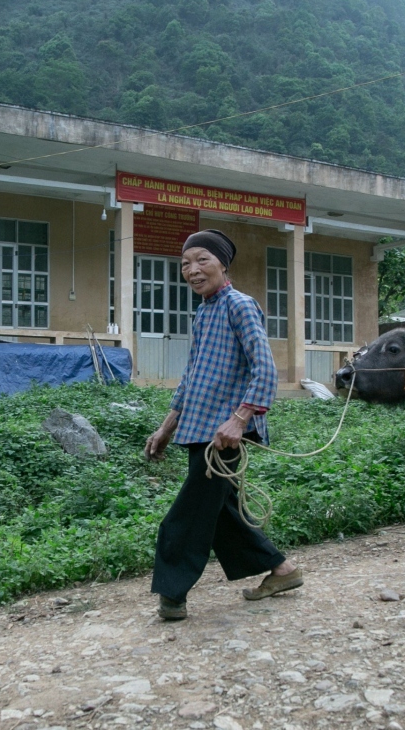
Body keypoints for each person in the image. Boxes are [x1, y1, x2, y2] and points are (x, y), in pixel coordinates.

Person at [144, 229, 302, 621]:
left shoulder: (240, 305)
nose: (193, 270)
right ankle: (282, 571)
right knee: (220, 513)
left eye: (202, 260)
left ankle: (172, 593)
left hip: (224, 435)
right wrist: (166, 427)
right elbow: (192, 375)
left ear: (222, 264)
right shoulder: (203, 312)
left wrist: (240, 419)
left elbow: (265, 368)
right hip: (198, 427)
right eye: (185, 263)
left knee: (188, 514)